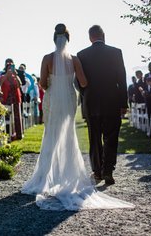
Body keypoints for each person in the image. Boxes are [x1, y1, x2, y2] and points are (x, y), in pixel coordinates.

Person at [22, 23, 134, 211]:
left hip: (64, 100)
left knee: (56, 134)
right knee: (75, 135)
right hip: (76, 99)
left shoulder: (53, 58)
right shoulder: (76, 59)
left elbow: (44, 83)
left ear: (54, 39)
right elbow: (87, 81)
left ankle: (57, 176)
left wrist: (54, 83)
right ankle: (98, 172)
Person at [77, 25, 128, 186]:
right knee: (111, 137)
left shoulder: (82, 55)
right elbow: (122, 79)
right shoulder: (115, 52)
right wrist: (123, 102)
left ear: (90, 37)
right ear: (103, 35)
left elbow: (79, 82)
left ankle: (97, 171)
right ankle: (108, 171)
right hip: (112, 101)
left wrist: (85, 96)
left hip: (91, 103)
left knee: (95, 138)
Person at [0, 62, 23, 140]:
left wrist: (16, 76)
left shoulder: (15, 77)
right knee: (7, 117)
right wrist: (7, 75)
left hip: (15, 98)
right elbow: (0, 84)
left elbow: (19, 85)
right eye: (9, 68)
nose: (10, 69)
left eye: (12, 67)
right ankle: (8, 135)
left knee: (16, 116)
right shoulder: (3, 76)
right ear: (6, 69)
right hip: (7, 99)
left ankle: (18, 134)